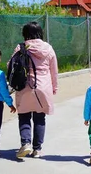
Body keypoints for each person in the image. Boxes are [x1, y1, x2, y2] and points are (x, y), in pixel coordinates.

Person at [11, 21, 58, 159]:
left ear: (25, 34)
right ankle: (37, 149)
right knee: (40, 118)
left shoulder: (21, 47)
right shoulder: (48, 48)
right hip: (43, 86)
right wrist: (54, 87)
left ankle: (26, 143)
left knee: (24, 116)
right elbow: (53, 70)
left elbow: (11, 65)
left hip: (24, 85)